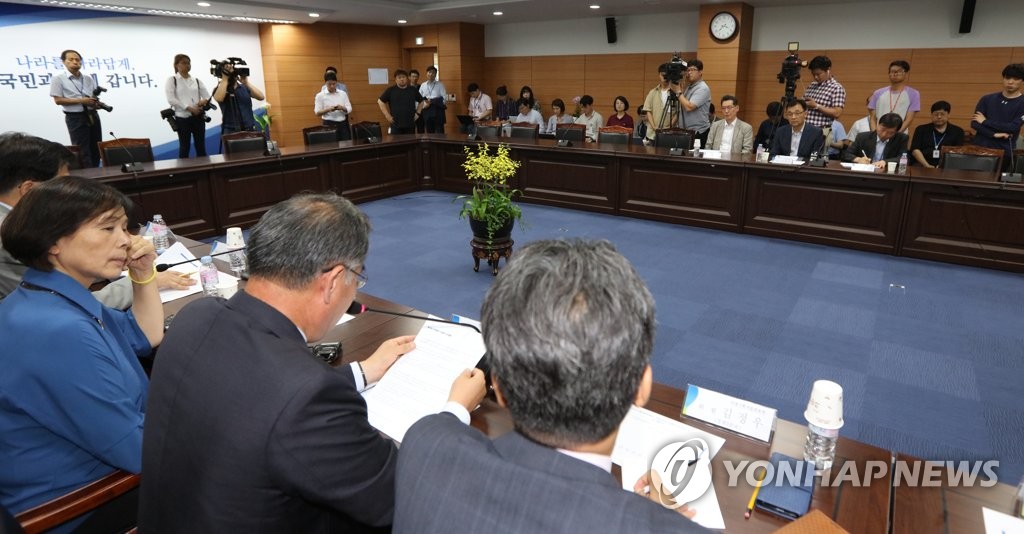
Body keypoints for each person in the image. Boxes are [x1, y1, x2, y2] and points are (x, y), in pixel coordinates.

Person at [139, 192, 485, 531]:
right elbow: (397, 495)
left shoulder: (196, 316)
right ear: (332, 282)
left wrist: (363, 371)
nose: (354, 291)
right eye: (357, 278)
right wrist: (453, 412)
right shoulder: (307, 396)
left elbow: (256, 392)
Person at [393, 239, 708, 533]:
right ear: (641, 387)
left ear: (498, 387)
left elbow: (442, 428)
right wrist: (656, 520)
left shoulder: (426, 444)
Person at [0, 176, 163, 523]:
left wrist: (143, 273)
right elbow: (139, 452)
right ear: (53, 241)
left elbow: (144, 334)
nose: (126, 240)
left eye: (124, 227)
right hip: (78, 505)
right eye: (107, 228)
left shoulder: (45, 295)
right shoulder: (58, 331)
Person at [0, 133, 192, 304]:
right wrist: (144, 282)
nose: (72, 191)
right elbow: (64, 303)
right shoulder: (9, 236)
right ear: (29, 190)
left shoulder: (22, 219)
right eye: (64, 184)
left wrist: (116, 258)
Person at [49, 49, 103, 167]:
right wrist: (81, 101)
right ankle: (87, 176)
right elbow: (58, 100)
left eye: (77, 59)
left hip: (92, 115)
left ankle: (98, 173)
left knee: (97, 147)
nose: (75, 62)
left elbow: (92, 97)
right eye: (71, 59)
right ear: (64, 62)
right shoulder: (58, 79)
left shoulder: (88, 78)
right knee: (82, 150)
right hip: (75, 117)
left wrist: (96, 104)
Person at [971, 63, 1024, 170]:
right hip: (979, 148)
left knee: (996, 180)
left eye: (1015, 79)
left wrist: (985, 122)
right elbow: (975, 123)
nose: (1010, 82)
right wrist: (994, 134)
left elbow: (1013, 127)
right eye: (1007, 78)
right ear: (1003, 79)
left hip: (1004, 151)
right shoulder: (987, 99)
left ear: (1022, 81)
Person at [165, 54, 212, 159]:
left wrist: (203, 102)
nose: (187, 65)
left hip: (199, 117)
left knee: (201, 147)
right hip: (182, 118)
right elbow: (171, 99)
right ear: (176, 65)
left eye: (188, 63)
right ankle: (183, 169)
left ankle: (204, 169)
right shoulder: (172, 80)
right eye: (184, 63)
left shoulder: (197, 80)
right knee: (184, 147)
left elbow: (208, 97)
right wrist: (189, 108)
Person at [212, 61, 266, 135]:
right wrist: (224, 79)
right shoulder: (219, 90)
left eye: (232, 68)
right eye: (227, 69)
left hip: (250, 129)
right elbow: (219, 98)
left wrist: (246, 83)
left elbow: (261, 97)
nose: (231, 70)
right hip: (230, 131)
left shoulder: (244, 87)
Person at [868, 60, 920, 134]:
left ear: (906, 73)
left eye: (899, 71)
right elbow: (873, 118)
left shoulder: (913, 94)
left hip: (899, 135)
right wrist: (875, 134)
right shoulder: (878, 93)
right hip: (879, 135)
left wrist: (894, 135)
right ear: (889, 74)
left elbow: (909, 119)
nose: (895, 74)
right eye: (892, 71)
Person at [910, 100, 965, 167]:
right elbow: (915, 150)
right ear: (931, 115)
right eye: (936, 114)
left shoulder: (958, 131)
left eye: (942, 114)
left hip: (947, 168)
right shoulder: (921, 129)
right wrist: (927, 165)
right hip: (922, 165)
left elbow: (957, 153)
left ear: (948, 115)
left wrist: (942, 166)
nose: (939, 117)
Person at [843, 112, 909, 168]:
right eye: (882, 129)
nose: (884, 134)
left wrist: (885, 162)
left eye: (890, 132)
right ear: (878, 124)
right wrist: (858, 159)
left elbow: (903, 158)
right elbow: (846, 154)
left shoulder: (901, 138)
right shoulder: (862, 137)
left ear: (896, 132)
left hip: (886, 174)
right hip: (864, 172)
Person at [802, 55, 846, 140]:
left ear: (828, 70)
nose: (815, 77)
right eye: (813, 74)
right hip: (805, 129)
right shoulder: (812, 85)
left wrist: (816, 106)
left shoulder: (837, 88)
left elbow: (837, 113)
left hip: (822, 131)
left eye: (818, 74)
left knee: (819, 150)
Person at [642, 62, 682, 144]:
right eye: (662, 75)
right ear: (659, 75)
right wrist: (654, 127)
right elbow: (648, 111)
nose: (664, 77)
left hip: (670, 133)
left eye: (666, 75)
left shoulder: (676, 92)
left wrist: (668, 128)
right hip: (653, 134)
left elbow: (678, 112)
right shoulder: (652, 92)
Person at [377, 69, 423, 135]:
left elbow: (421, 101)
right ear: (395, 79)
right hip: (396, 124)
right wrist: (387, 115)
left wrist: (418, 113)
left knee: (410, 141)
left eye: (403, 77)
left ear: (407, 78)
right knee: (396, 141)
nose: (402, 79)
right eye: (399, 77)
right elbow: (380, 101)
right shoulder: (391, 90)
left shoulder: (413, 89)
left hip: (410, 124)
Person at [678, 59, 712, 146]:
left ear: (700, 72)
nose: (689, 72)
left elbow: (689, 107)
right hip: (687, 132)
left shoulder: (703, 88)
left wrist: (678, 92)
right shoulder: (689, 87)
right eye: (688, 70)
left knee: (695, 154)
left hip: (698, 132)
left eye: (693, 70)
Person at [315, 72, 353, 141]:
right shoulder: (320, 95)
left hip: (342, 124)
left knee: (345, 145)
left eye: (334, 84)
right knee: (331, 145)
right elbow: (317, 112)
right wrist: (328, 109)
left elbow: (349, 108)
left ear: (336, 82)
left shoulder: (343, 94)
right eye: (329, 84)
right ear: (325, 83)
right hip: (328, 125)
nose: (332, 86)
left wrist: (342, 108)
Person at [418, 65, 447, 134]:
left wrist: (432, 101)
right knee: (429, 133)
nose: (431, 74)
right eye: (429, 72)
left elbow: (444, 99)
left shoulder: (440, 85)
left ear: (435, 74)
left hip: (437, 110)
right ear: (426, 73)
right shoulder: (423, 85)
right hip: (427, 110)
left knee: (440, 133)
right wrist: (424, 105)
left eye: (433, 72)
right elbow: (419, 99)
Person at [408, 69, 425, 133]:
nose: (415, 78)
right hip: (410, 111)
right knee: (410, 130)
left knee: (421, 129)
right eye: (413, 76)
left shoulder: (421, 87)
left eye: (416, 76)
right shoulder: (406, 87)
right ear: (409, 77)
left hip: (420, 111)